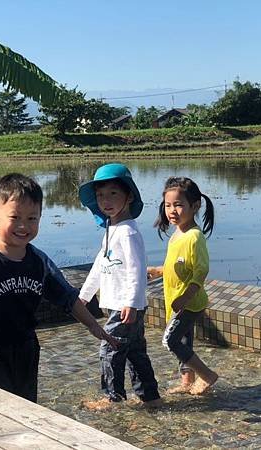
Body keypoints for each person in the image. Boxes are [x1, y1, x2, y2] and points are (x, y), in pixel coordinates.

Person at [0, 173, 117, 403]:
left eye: (32, 218)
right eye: (15, 217)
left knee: (26, 404)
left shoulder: (39, 262)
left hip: (26, 345)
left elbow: (67, 296)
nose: (24, 226)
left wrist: (94, 325)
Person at [78, 163, 162, 410]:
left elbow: (137, 270)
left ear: (129, 196)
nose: (106, 200)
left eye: (113, 193)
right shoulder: (110, 229)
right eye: (101, 195)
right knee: (135, 353)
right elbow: (98, 266)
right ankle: (150, 397)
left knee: (109, 350)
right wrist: (83, 297)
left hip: (125, 306)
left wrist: (131, 303)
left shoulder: (128, 232)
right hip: (121, 305)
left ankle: (112, 398)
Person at [147, 176, 219, 395]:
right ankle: (188, 382)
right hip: (176, 299)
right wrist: (157, 271)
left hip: (188, 302)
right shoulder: (178, 233)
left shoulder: (195, 237)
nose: (172, 211)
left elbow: (201, 270)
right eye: (168, 205)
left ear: (195, 205)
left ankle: (207, 375)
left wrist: (185, 298)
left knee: (170, 341)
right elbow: (176, 264)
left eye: (178, 205)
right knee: (184, 340)